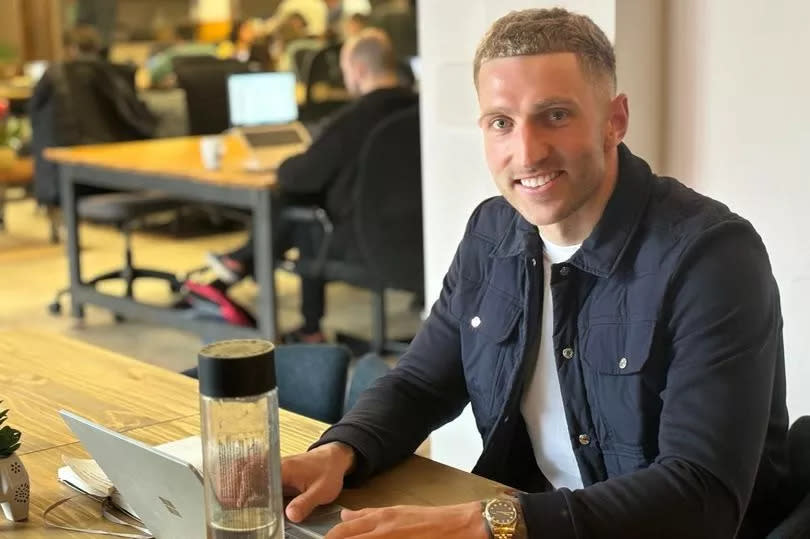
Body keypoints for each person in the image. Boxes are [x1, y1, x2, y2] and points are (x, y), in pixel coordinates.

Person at [277, 8, 795, 539]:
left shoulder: (712, 258)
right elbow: (420, 382)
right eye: (501, 122)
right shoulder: (491, 232)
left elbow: (700, 495)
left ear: (615, 120)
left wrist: (491, 523)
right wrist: (342, 450)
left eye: (555, 116)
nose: (525, 153)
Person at [200, 28, 417, 343]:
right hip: (414, 233)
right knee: (306, 207)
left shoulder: (353, 119)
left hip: (360, 241)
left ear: (357, 69)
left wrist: (286, 163)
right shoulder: (417, 110)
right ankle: (243, 262)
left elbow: (297, 176)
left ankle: (262, 280)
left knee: (298, 211)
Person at [143, 22, 217, 88]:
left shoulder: (174, 53)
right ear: (195, 35)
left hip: (181, 95)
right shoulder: (211, 49)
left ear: (178, 38)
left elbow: (153, 75)